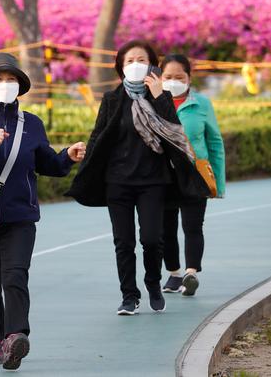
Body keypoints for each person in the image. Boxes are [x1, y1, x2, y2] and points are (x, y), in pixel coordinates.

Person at [0, 53, 86, 370]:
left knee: (15, 277)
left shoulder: (32, 124)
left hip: (20, 217)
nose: (5, 85)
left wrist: (68, 156)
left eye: (11, 80)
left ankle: (15, 337)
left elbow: (47, 164)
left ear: (20, 86)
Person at [66, 40, 209, 316]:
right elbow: (99, 135)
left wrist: (160, 97)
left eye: (141, 60)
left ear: (152, 65)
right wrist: (84, 166)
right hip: (117, 183)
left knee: (152, 239)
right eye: (129, 60)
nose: (135, 65)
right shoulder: (111, 99)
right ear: (120, 66)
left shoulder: (160, 97)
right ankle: (129, 296)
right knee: (124, 242)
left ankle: (153, 285)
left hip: (153, 182)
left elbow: (175, 133)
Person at [160, 54, 225, 296]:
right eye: (168, 77)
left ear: (189, 78)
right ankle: (174, 273)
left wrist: (217, 182)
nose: (173, 81)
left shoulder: (202, 104)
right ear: (159, 77)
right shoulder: (154, 102)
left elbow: (215, 141)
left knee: (193, 225)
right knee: (165, 228)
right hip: (163, 175)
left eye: (179, 77)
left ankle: (191, 273)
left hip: (195, 173)